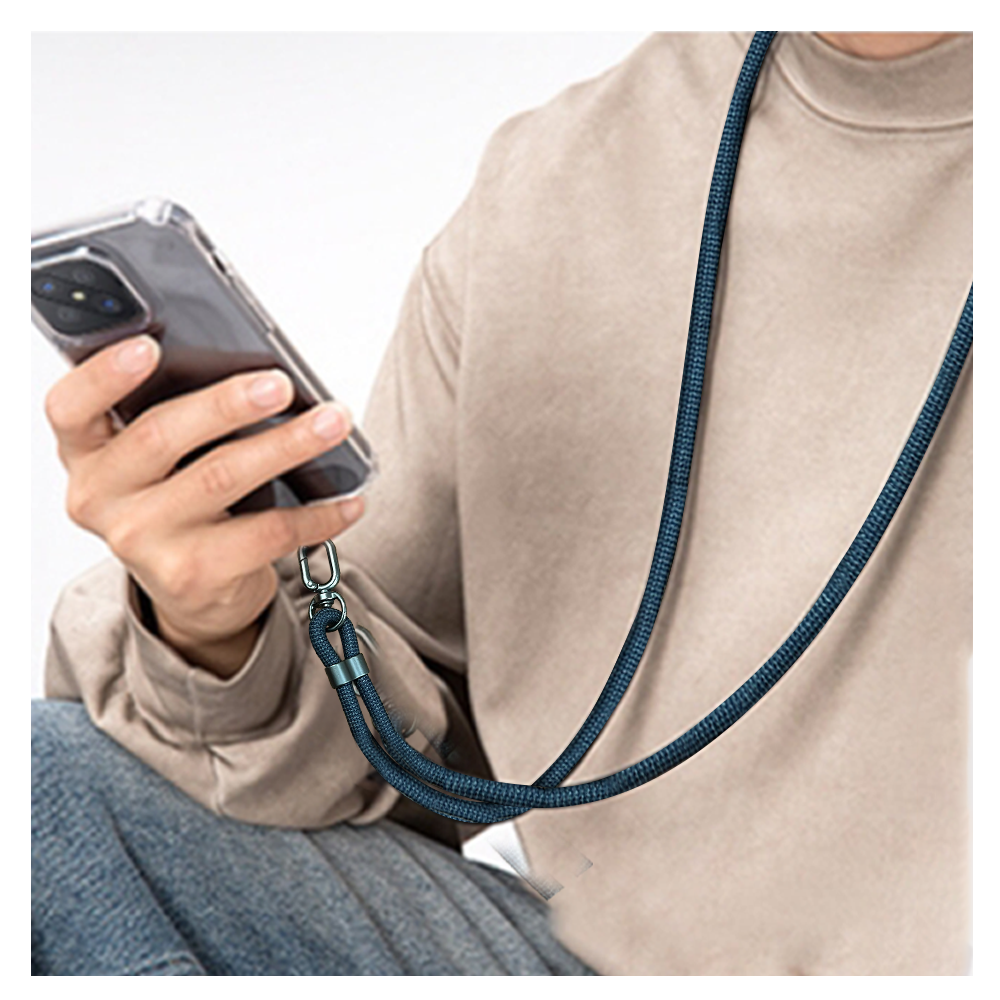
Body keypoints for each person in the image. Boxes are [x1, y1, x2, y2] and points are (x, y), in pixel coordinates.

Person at [31, 31, 972, 976]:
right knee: (42, 789)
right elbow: (405, 759)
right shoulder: (560, 181)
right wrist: (213, 624)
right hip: (582, 967)